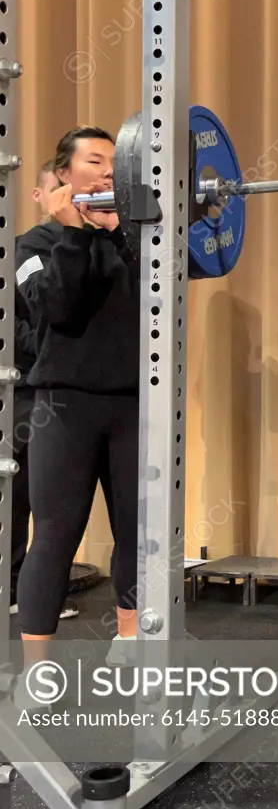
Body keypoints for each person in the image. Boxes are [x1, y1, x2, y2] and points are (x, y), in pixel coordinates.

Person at [15, 126, 141, 676]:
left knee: (139, 535)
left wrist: (121, 234)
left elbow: (162, 302)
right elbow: (56, 310)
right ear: (64, 175)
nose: (109, 170)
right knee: (55, 538)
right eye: (95, 160)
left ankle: (134, 650)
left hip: (135, 404)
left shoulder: (136, 239)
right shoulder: (34, 246)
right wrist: (75, 234)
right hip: (63, 408)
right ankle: (37, 675)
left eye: (116, 161)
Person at [10, 160, 79, 621]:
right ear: (39, 197)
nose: (70, 195)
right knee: (17, 491)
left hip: (67, 388)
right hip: (28, 386)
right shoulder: (30, 247)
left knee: (51, 497)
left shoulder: (91, 242)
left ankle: (36, 589)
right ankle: (14, 588)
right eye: (59, 188)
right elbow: (35, 312)